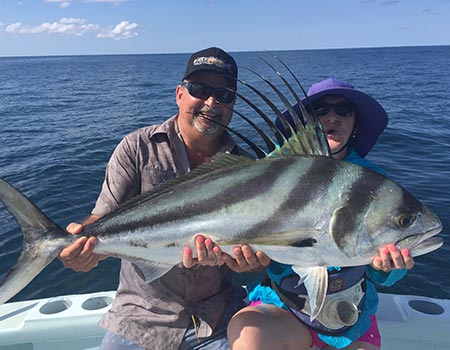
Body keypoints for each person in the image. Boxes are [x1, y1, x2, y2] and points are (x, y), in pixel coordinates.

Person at [58, 47, 270, 350]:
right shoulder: (137, 147)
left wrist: (250, 264)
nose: (211, 102)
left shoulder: (249, 168)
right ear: (179, 94)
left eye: (224, 94)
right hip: (141, 316)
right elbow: (101, 218)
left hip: (219, 317)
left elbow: (258, 239)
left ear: (232, 104)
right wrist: (83, 247)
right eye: (200, 89)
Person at [226, 78, 415, 350]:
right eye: (321, 109)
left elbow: (383, 270)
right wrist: (246, 267)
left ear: (355, 124)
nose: (332, 117)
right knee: (248, 335)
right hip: (283, 307)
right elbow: (251, 257)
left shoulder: (375, 181)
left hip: (352, 318)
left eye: (343, 110)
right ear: (307, 122)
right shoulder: (270, 174)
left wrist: (387, 269)